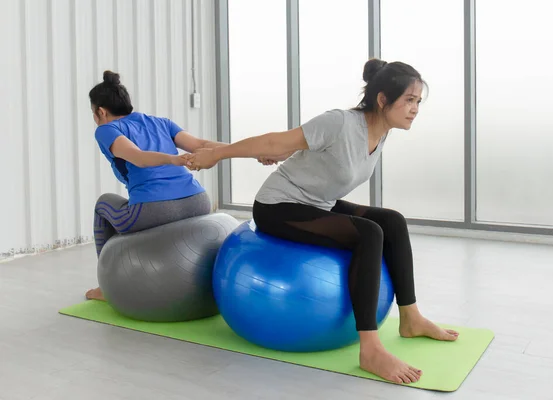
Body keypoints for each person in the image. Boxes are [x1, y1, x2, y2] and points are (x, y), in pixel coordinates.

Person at [185, 59, 459, 385]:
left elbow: (313, 159)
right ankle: (370, 348)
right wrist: (216, 154)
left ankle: (411, 318)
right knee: (369, 233)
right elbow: (275, 142)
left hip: (318, 202)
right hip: (279, 205)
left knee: (392, 221)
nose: (415, 109)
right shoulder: (340, 123)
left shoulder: (380, 132)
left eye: (418, 102)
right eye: (409, 100)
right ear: (383, 100)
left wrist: (287, 154)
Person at [85, 70, 225, 302]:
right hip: (198, 201)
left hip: (154, 210)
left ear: (100, 111)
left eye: (93, 113)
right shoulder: (160, 122)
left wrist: (173, 159)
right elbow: (201, 145)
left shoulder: (106, 129)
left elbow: (137, 157)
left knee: (103, 205)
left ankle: (106, 286)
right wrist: (246, 149)